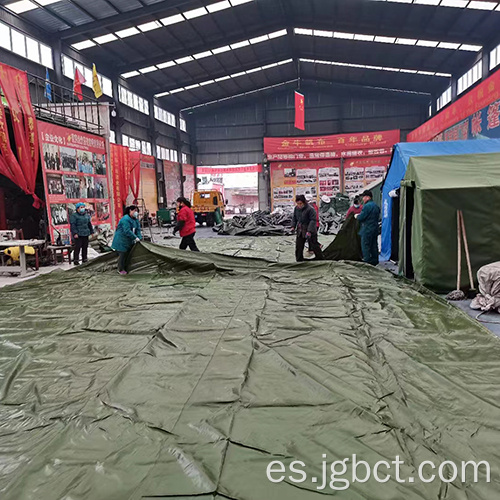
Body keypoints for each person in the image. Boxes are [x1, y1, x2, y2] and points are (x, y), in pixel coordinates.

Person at [291, 194, 324, 262]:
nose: (299, 205)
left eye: (300, 203)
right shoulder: (296, 209)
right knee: (299, 246)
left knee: (314, 245)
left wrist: (309, 231)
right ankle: (299, 259)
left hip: (310, 229)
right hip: (300, 229)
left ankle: (320, 258)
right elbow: (294, 218)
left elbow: (313, 220)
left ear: (304, 202)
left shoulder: (310, 209)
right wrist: (293, 226)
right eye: (298, 204)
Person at [112, 205, 143, 275]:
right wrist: (135, 237)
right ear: (130, 211)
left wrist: (139, 237)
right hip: (121, 240)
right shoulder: (125, 219)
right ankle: (121, 269)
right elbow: (127, 231)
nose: (136, 212)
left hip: (129, 240)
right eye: (134, 211)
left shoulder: (136, 220)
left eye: (137, 211)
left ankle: (126, 268)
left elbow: (138, 230)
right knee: (122, 255)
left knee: (128, 255)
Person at [355, 190, 380, 266]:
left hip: (367, 229)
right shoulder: (376, 206)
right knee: (374, 246)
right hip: (375, 229)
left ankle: (367, 262)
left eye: (364, 197)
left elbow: (361, 217)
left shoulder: (367, 206)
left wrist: (357, 216)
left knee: (365, 246)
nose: (363, 199)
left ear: (368, 197)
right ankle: (375, 261)